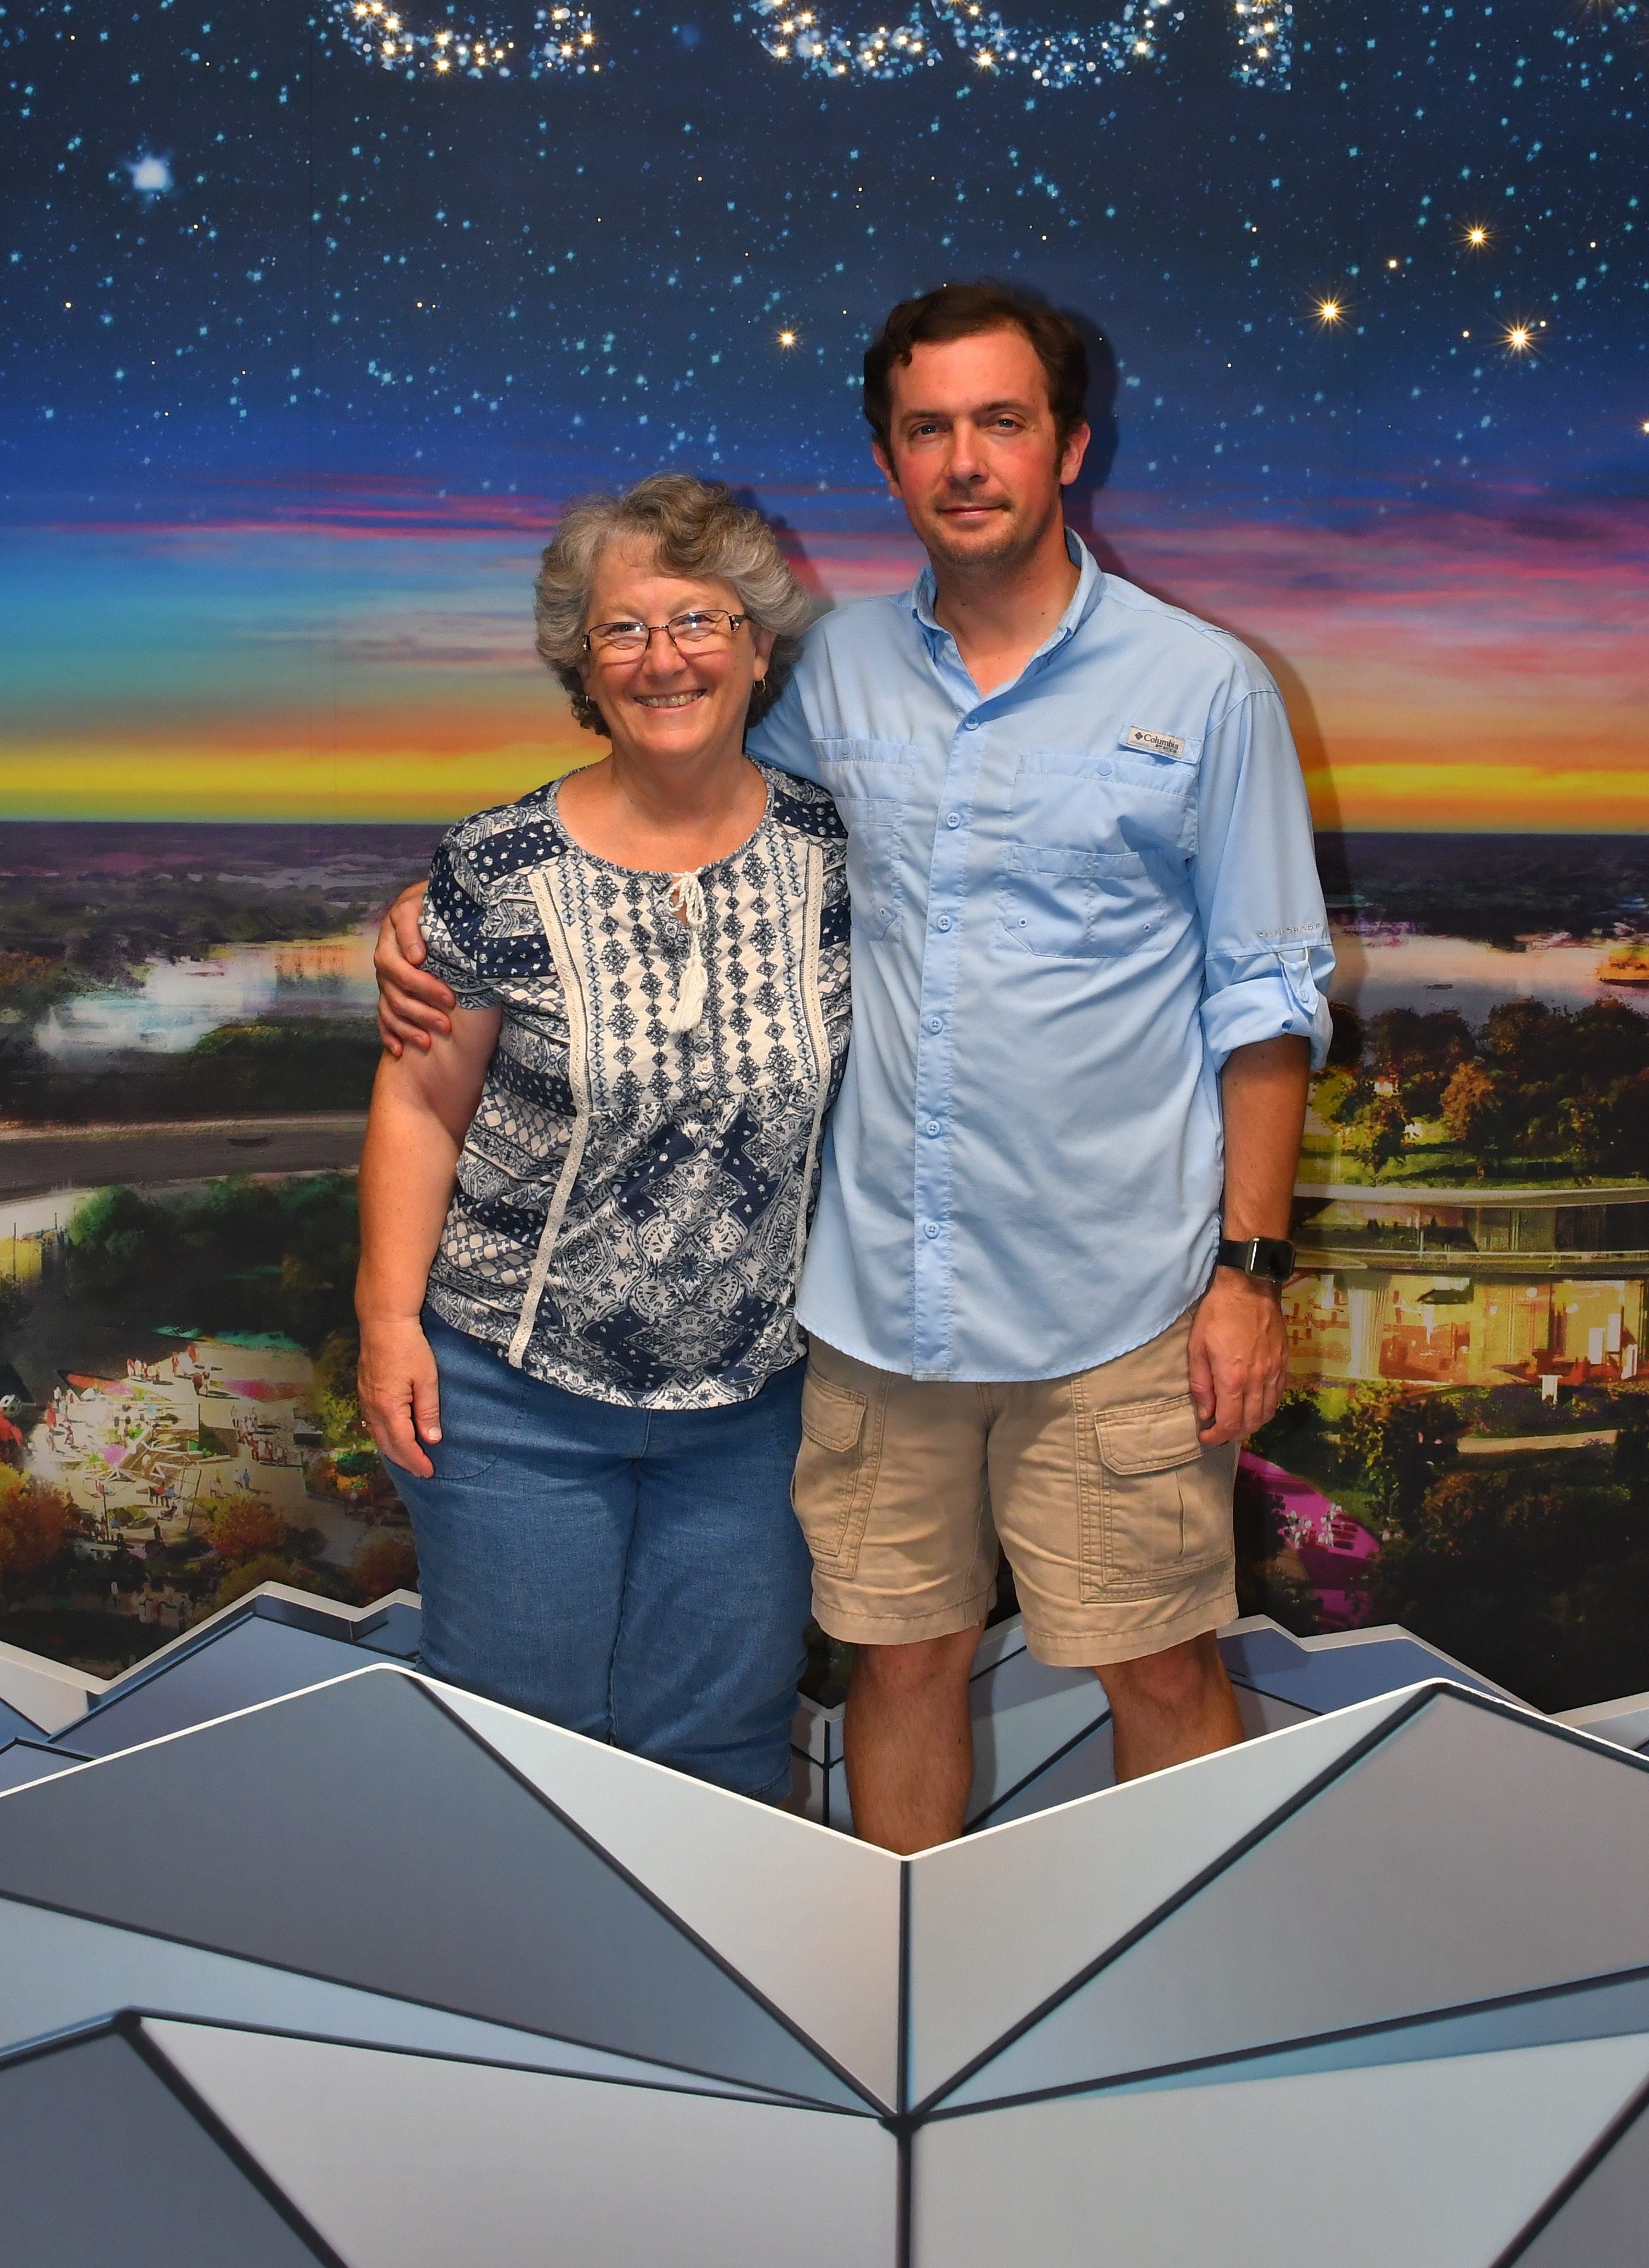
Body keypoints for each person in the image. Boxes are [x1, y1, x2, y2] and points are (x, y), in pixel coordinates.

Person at [378, 286, 1331, 1851]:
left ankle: (1175, 1963)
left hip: (1120, 1299)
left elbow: (1265, 1003)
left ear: (1069, 445)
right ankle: (912, 1979)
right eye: (926, 429)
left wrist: (1248, 1271)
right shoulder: (826, 675)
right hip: (877, 1306)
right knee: (901, 1665)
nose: (965, 460)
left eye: (1001, 421)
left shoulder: (1204, 688)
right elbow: (671, 798)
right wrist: (443, 908)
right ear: (888, 462)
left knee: (1161, 1668)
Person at [355, 474, 848, 1803]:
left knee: (721, 1761)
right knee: (521, 1764)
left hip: (753, 1406)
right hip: (509, 1396)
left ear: (758, 645)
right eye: (621, 629)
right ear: (581, 661)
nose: (661, 659)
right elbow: (418, 1100)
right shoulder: (496, 865)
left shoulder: (839, 856)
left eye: (697, 622)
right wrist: (386, 1321)